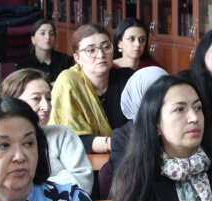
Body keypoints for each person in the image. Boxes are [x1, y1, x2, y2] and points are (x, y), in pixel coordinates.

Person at [0, 68, 92, 192]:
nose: (46, 106)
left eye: (48, 99)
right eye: (36, 99)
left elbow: (83, 183)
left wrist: (34, 186)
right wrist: (61, 179)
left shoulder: (62, 134)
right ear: (14, 102)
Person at [50, 24, 133, 153]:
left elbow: (139, 124)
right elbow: (70, 140)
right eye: (91, 50)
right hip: (82, 162)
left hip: (127, 156)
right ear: (77, 58)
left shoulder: (127, 78)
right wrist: (114, 143)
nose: (100, 55)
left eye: (106, 47)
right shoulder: (69, 81)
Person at [108, 65, 168, 173]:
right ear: (138, 95)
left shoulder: (177, 126)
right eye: (153, 95)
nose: (161, 99)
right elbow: (124, 181)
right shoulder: (122, 136)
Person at [16, 19, 72, 83]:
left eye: (51, 34)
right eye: (43, 33)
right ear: (33, 39)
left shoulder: (66, 60)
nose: (48, 37)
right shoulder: (24, 65)